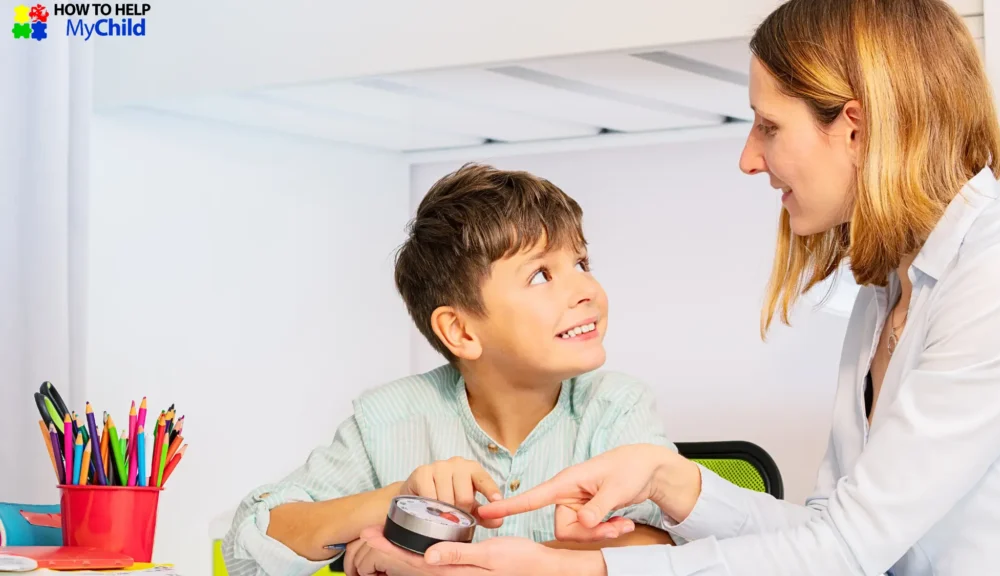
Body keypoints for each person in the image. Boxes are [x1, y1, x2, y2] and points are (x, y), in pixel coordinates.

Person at [344, 0, 1000, 574]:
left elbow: (844, 552)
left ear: (855, 126)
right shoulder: (886, 296)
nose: (749, 157)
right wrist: (672, 480)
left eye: (769, 126)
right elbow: (828, 525)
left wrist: (594, 568)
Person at [220, 164, 681, 576]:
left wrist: (425, 564)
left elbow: (673, 547)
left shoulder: (616, 407)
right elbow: (250, 538)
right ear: (460, 331)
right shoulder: (388, 418)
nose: (587, 288)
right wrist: (394, 504)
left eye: (581, 262)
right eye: (541, 274)